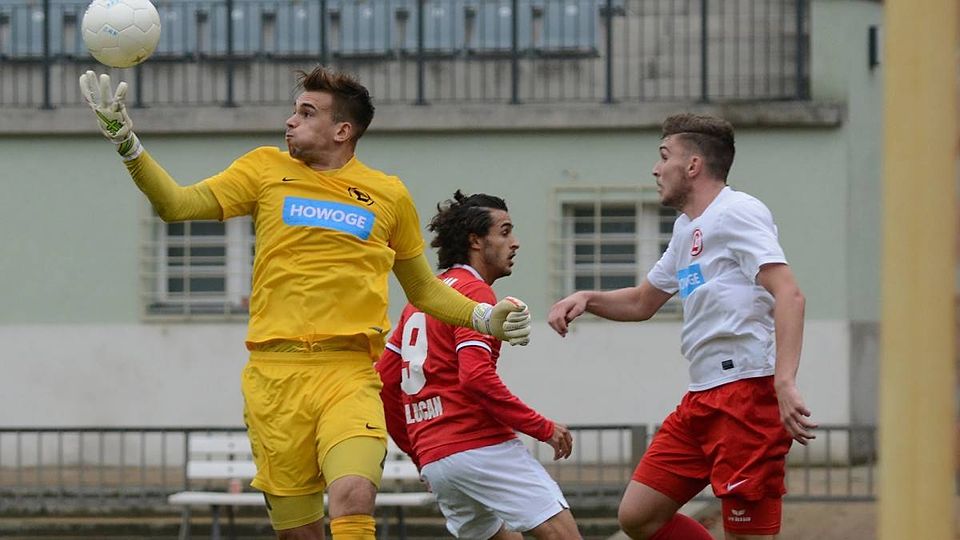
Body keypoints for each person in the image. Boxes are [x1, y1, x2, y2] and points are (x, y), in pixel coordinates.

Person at [78, 66, 533, 540]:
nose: (291, 120)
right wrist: (127, 143)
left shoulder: (388, 194)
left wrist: (485, 317)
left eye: (307, 112)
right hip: (274, 378)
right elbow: (176, 205)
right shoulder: (262, 169)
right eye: (295, 110)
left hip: (348, 373)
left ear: (342, 130)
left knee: (353, 495)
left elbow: (421, 289)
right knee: (299, 533)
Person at [548, 113, 817, 540]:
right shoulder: (685, 228)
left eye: (663, 156)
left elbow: (789, 294)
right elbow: (643, 301)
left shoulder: (738, 211)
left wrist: (784, 381)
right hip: (702, 397)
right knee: (638, 515)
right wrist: (587, 298)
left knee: (746, 534)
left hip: (747, 395)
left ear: (693, 165)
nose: (656, 169)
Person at [376, 190, 582, 540]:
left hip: (436, 458)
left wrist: (421, 454)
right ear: (475, 241)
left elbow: (384, 382)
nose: (515, 243)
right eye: (505, 232)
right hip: (479, 445)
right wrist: (542, 427)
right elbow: (475, 377)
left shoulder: (421, 300)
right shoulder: (474, 293)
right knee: (563, 535)